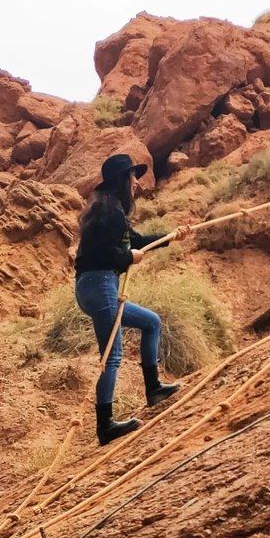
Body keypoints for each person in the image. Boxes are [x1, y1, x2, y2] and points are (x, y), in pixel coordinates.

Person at [74, 154, 189, 446]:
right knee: (111, 356)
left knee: (151, 322)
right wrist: (128, 258)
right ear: (122, 181)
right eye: (133, 177)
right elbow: (100, 253)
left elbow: (136, 241)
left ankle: (154, 390)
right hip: (99, 284)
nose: (137, 183)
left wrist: (171, 237)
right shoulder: (106, 211)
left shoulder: (110, 211)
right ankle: (105, 426)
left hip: (97, 286)